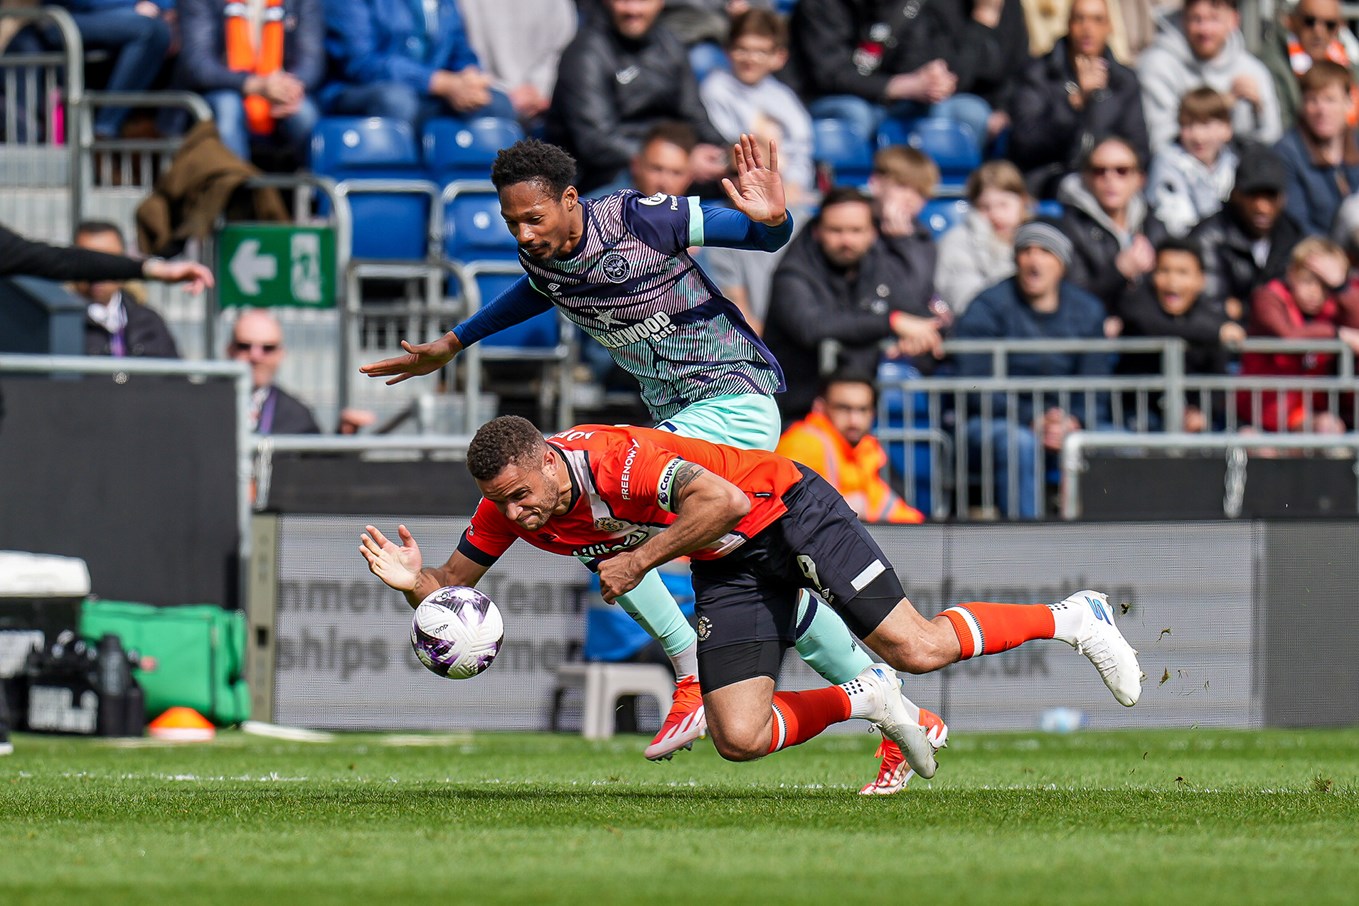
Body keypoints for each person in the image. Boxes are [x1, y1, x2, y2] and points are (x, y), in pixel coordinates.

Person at [358, 136, 924, 790]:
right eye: (512, 222)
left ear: (570, 201)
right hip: (678, 414)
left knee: (587, 503)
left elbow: (762, 235)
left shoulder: (635, 218)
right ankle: (875, 692)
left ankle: (690, 674)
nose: (523, 232)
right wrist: (454, 342)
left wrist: (775, 217)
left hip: (731, 398)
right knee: (737, 566)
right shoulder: (541, 254)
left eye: (533, 217)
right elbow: (536, 289)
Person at [359, 416, 1140, 778]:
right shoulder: (504, 505)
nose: (519, 514)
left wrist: (637, 560)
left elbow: (724, 504)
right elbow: (450, 595)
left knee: (919, 648)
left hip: (784, 513)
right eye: (504, 502)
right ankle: (862, 700)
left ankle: (1073, 617)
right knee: (736, 735)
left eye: (526, 496)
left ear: (550, 463)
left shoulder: (619, 459)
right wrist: (413, 589)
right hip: (725, 567)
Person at [950, 219, 1112, 520]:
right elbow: (974, 386)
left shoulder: (1088, 309)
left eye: (1046, 252)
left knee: (1116, 441)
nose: (1034, 261)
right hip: (995, 422)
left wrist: (1073, 422)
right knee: (1018, 444)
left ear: (1062, 263)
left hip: (1066, 421)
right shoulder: (986, 306)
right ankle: (1025, 544)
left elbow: (1096, 384)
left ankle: (1118, 545)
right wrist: (1032, 419)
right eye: (1026, 251)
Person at [762, 186, 942, 424]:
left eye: (856, 230)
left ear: (873, 233)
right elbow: (811, 326)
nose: (846, 240)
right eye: (836, 230)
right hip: (795, 414)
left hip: (854, 418)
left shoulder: (877, 264)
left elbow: (915, 312)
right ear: (817, 231)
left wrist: (919, 335)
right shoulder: (793, 273)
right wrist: (892, 323)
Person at [544, 0, 728, 195]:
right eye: (624, 1)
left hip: (669, 162)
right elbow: (596, 142)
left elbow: (694, 115)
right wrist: (677, 159)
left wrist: (725, 152)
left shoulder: (670, 44)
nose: (633, 10)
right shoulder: (585, 53)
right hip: (603, 175)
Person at [787, 0, 1005, 153]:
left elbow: (922, 58)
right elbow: (829, 75)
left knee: (969, 110)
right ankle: (850, 190)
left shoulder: (912, 5)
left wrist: (933, 77)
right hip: (823, 99)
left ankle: (928, 191)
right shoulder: (821, 5)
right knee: (855, 113)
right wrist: (899, 86)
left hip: (893, 100)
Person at [1009, 0, 1149, 199]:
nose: (1087, 28)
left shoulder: (1123, 81)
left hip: (1108, 177)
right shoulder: (1039, 74)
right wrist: (1074, 104)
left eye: (1097, 19)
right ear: (1068, 24)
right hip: (1051, 179)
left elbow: (1139, 148)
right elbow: (1025, 143)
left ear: (1109, 27)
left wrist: (1107, 167)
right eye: (1079, 19)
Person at [319, 0, 515, 128]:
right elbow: (361, 63)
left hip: (433, 96)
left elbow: (460, 51)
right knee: (397, 100)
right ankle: (395, 187)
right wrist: (439, 83)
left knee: (497, 103)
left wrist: (470, 78)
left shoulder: (445, 3)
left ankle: (476, 189)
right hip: (359, 92)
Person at [1117, 238, 1246, 431]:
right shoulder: (1136, 303)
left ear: (1200, 280)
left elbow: (1217, 375)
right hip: (1137, 415)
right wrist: (1215, 332)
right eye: (1164, 271)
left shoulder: (1211, 315)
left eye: (1182, 272)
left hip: (1192, 417)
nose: (1172, 281)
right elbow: (1153, 327)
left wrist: (1202, 412)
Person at [177, 0, 324, 165]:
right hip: (220, 91)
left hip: (280, 93)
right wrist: (254, 85)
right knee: (227, 106)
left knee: (304, 113)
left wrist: (288, 88)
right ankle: (233, 186)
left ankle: (317, 189)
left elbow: (311, 62)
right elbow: (198, 65)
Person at [5, 0, 173, 140]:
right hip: (67, 18)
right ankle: (103, 130)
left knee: (160, 33)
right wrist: (132, 6)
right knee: (152, 31)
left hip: (134, 18)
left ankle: (106, 130)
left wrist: (164, 8)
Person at [1239, 236, 1359, 431]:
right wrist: (1337, 333)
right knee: (1255, 446)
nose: (1315, 291)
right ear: (1291, 273)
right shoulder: (1267, 297)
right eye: (1307, 280)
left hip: (1306, 414)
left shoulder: (1335, 306)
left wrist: (1341, 287)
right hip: (1259, 415)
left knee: (1329, 428)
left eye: (1324, 285)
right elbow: (1288, 336)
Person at [775, 370, 925, 524]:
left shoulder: (866, 448)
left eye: (862, 409)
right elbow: (795, 515)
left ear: (872, 413)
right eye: (844, 408)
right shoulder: (804, 443)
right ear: (820, 407)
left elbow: (885, 507)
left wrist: (924, 533)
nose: (854, 420)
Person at [699, 8, 815, 205]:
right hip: (740, 187)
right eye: (742, 49)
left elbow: (801, 148)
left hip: (788, 189)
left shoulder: (784, 97)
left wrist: (795, 184)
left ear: (778, 57)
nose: (750, 59)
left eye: (760, 52)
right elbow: (731, 144)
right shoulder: (715, 88)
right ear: (728, 51)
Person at [1138, 0, 1282, 154]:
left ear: (1234, 20)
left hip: (1240, 170)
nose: (1205, 30)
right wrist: (1218, 106)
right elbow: (1161, 144)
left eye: (1214, 19)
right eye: (1196, 19)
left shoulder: (1252, 69)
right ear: (1183, 19)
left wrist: (1259, 112)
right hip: (1179, 170)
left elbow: (1272, 142)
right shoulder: (1158, 64)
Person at [1189, 143, 1306, 326]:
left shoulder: (1292, 235)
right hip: (1224, 348)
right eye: (1253, 195)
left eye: (1270, 196)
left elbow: (1306, 303)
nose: (1262, 207)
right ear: (1235, 194)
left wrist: (1244, 309)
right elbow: (1210, 307)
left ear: (1283, 199)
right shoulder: (1208, 237)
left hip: (1278, 345)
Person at [1057, 136, 1169, 327]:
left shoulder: (1155, 226)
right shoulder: (1070, 228)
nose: (1110, 179)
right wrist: (1118, 272)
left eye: (1122, 171)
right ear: (1087, 177)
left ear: (1139, 179)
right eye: (1100, 171)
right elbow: (1072, 298)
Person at [227, 308, 374, 434]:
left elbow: (316, 462)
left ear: (280, 354)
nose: (256, 356)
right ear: (230, 350)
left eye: (268, 348)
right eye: (244, 346)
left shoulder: (296, 413)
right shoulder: (206, 404)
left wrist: (344, 435)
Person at [457, 0, 577, 126]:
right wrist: (505, 96)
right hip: (489, 101)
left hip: (546, 100)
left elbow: (564, 45)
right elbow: (464, 52)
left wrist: (540, 88)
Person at [935, 160, 1031, 316]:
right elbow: (965, 301)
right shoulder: (958, 241)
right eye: (985, 207)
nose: (995, 215)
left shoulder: (1038, 240)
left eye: (1003, 204)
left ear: (1022, 202)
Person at [71, 221, 179, 359]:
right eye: (87, 260)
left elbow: (176, 378)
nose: (97, 270)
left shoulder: (148, 321)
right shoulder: (60, 325)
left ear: (124, 262)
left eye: (108, 259)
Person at [1274, 61, 1359, 236]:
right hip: (1315, 252)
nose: (1321, 110)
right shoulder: (1288, 152)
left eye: (1330, 100)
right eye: (1312, 100)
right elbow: (1296, 223)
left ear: (1349, 102)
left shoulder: (1356, 141)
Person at [1146, 87, 1241, 239]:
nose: (1198, 136)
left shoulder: (1234, 163)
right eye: (1188, 125)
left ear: (1227, 128)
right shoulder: (1167, 161)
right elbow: (1177, 224)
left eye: (1206, 124)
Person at [1259, 0, 1359, 131]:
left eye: (1330, 25)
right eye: (1309, 21)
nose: (1319, 32)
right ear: (1291, 21)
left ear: (1339, 27)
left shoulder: (1350, 65)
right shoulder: (1272, 65)